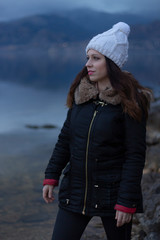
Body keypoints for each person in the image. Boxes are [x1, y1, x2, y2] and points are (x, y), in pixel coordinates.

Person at [42, 22, 152, 240]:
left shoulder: (131, 102)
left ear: (111, 63)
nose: (88, 64)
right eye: (87, 58)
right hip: (75, 191)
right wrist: (51, 176)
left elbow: (134, 155)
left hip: (113, 196)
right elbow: (65, 139)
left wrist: (126, 202)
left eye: (96, 58)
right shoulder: (80, 96)